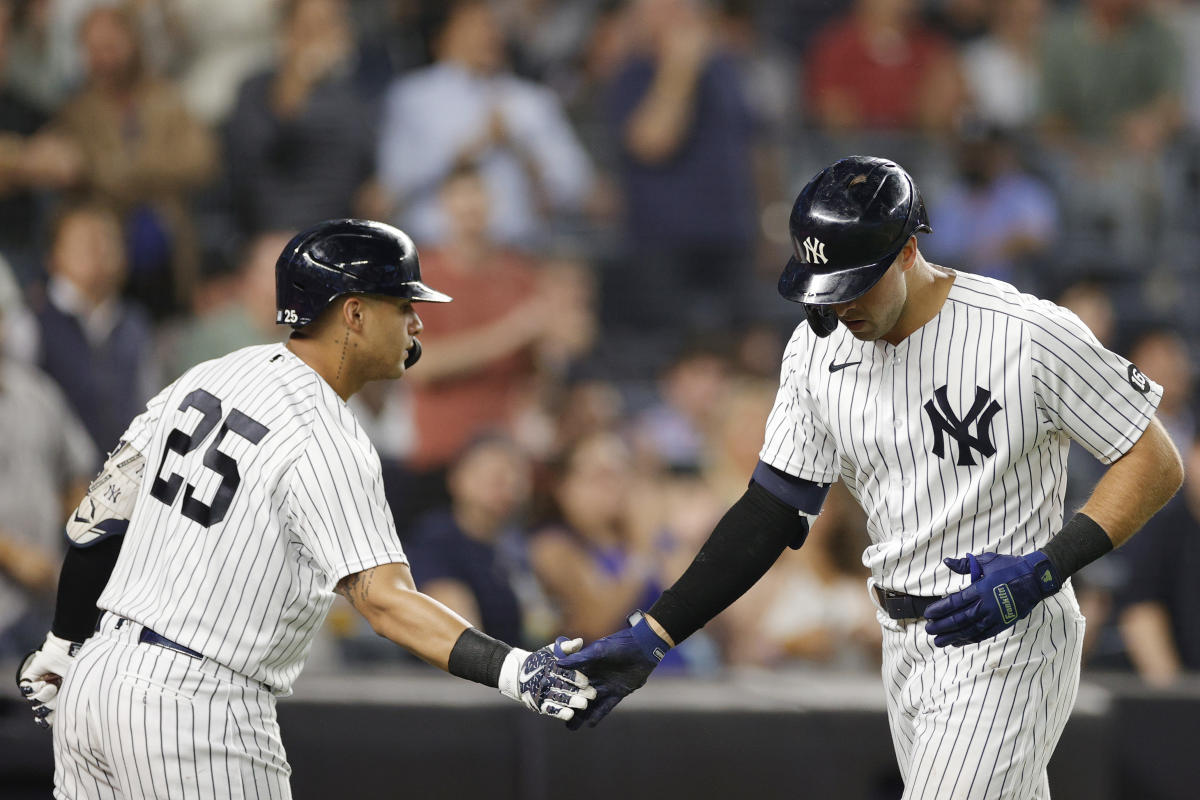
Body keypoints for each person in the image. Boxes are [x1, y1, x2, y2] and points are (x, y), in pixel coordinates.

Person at [560, 157, 1184, 800]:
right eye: (824, 285)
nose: (840, 304)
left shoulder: (1025, 333)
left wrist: (1047, 568)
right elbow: (771, 508)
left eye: (854, 283)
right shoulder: (815, 346)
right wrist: (653, 635)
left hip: (1008, 636)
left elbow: (1155, 460)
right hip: (899, 635)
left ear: (908, 249)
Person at [15, 219, 596, 797]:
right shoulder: (326, 436)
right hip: (197, 705)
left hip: (96, 677)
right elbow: (387, 603)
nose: (418, 323)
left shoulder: (211, 374)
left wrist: (64, 643)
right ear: (354, 314)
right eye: (402, 304)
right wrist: (517, 670)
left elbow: (101, 519)